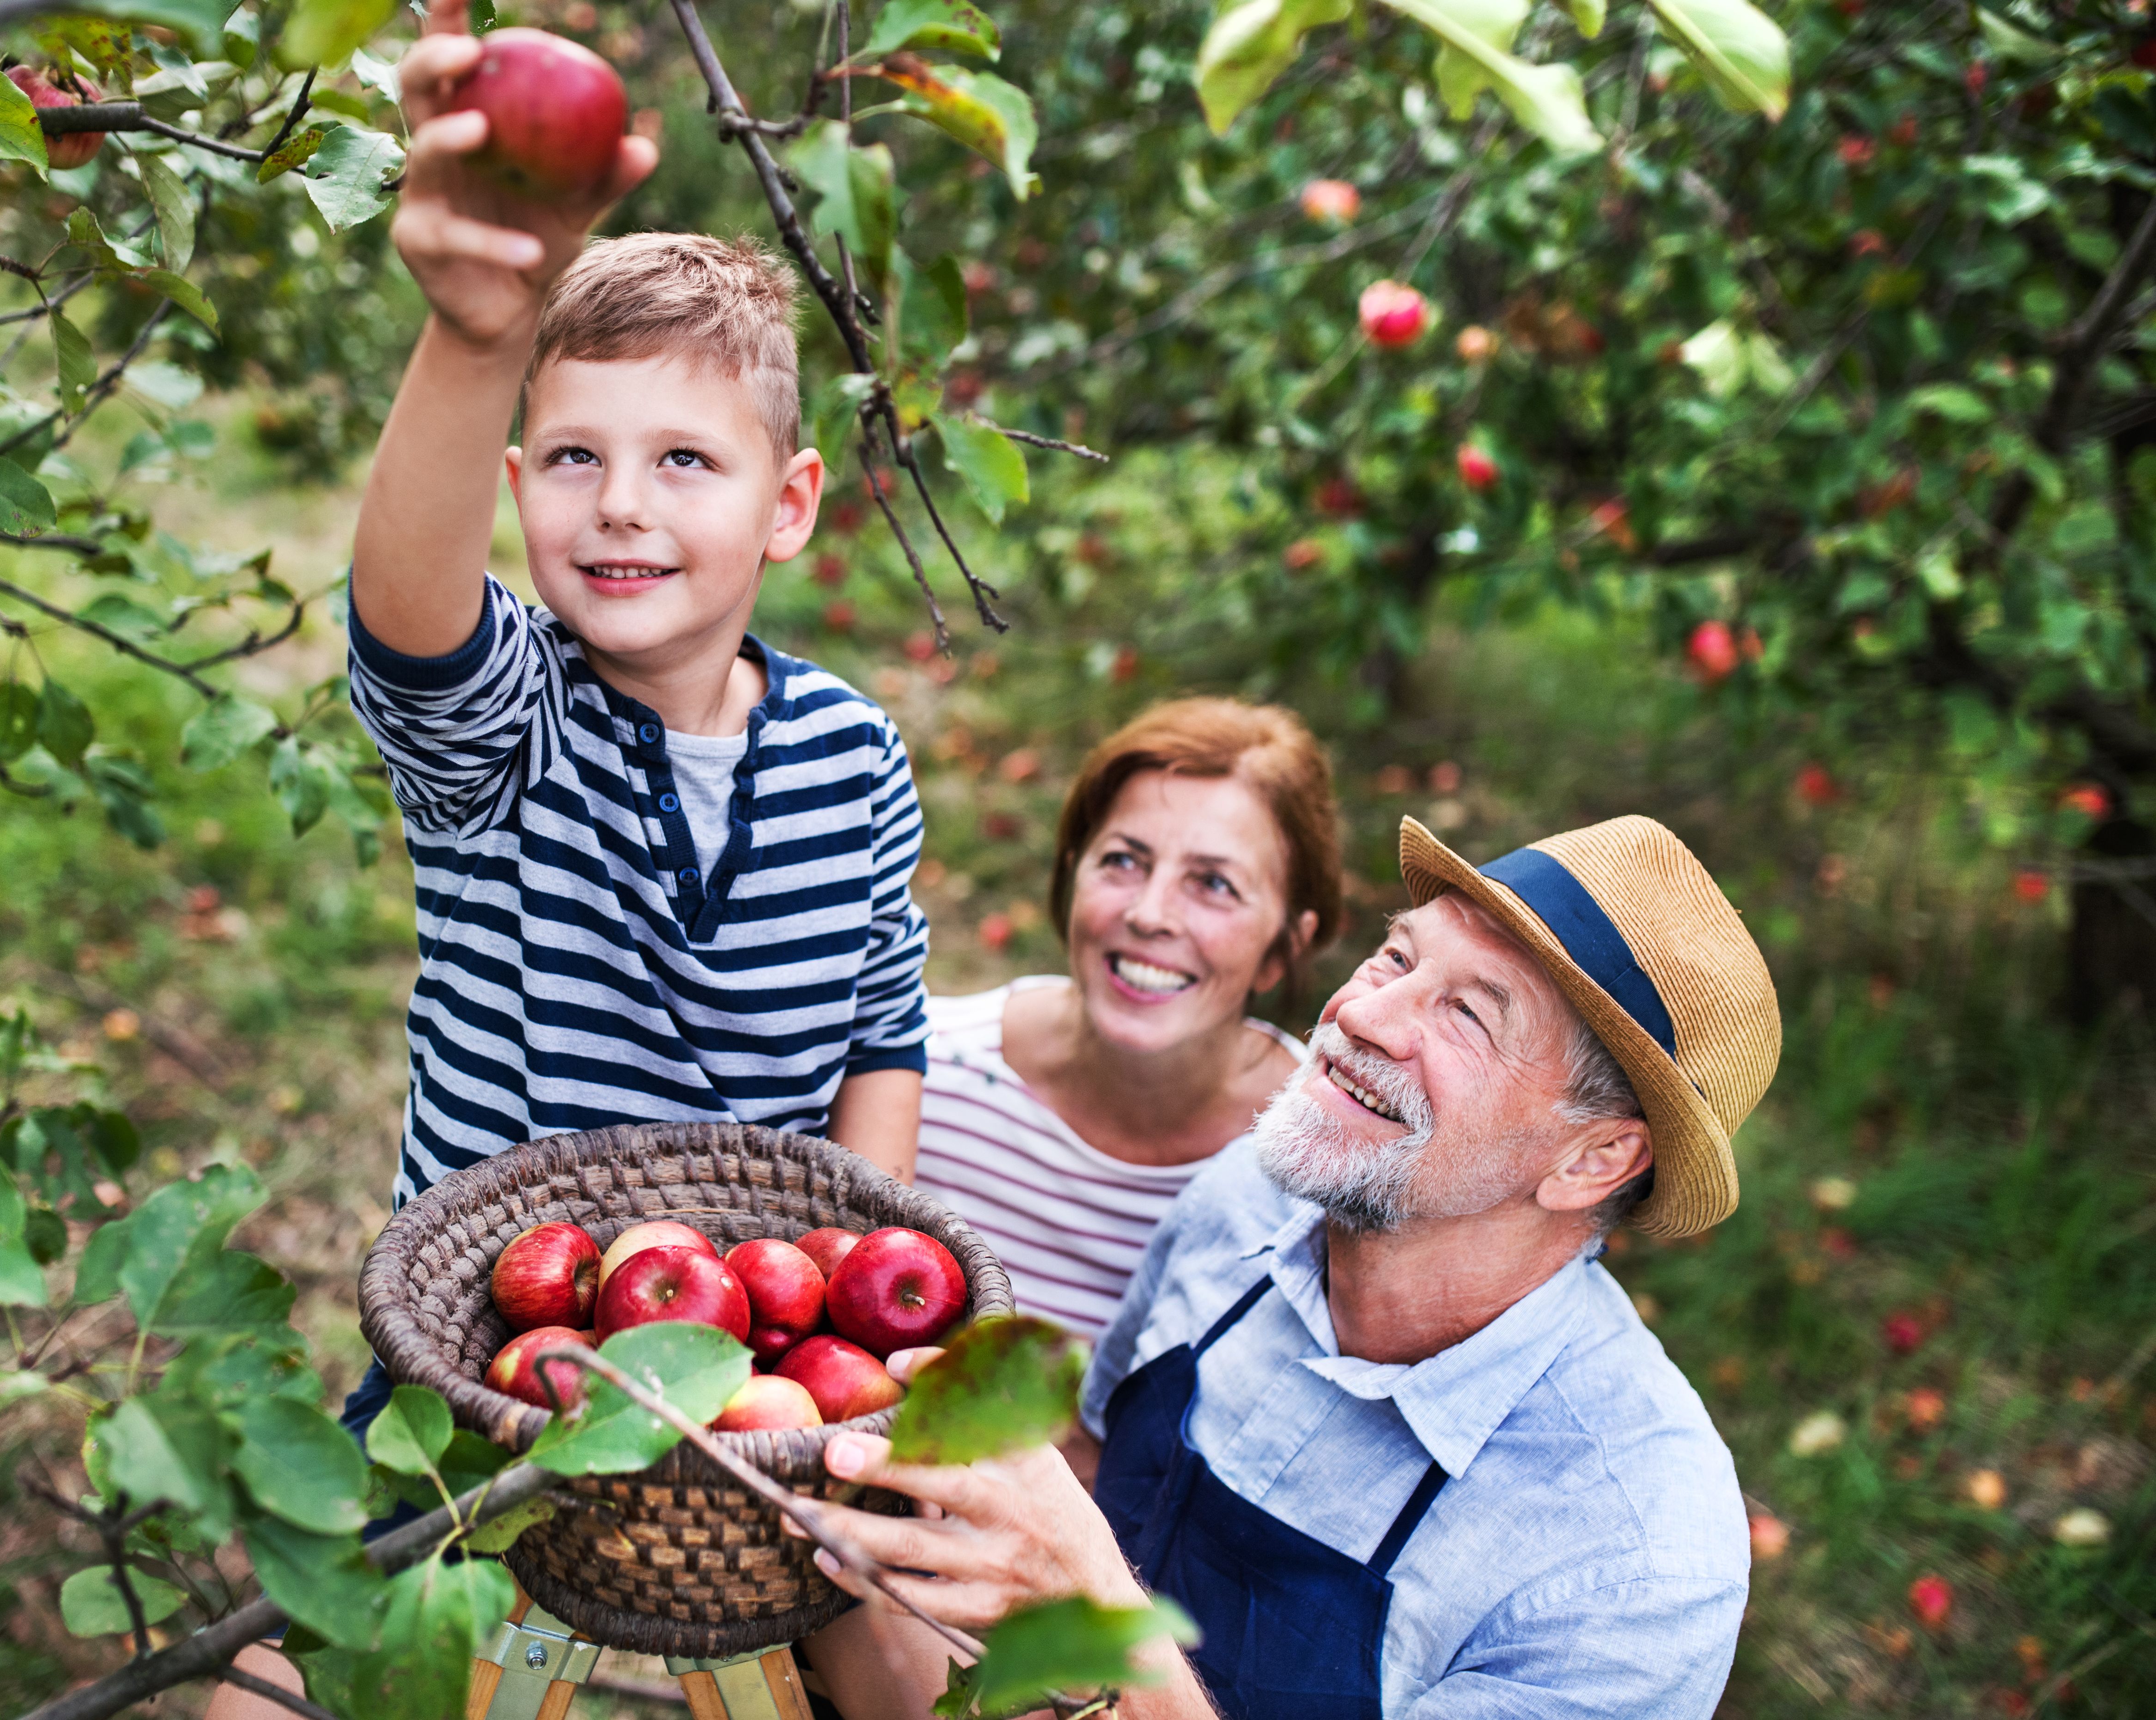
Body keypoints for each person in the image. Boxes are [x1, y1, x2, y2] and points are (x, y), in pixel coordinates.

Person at [215, 4, 931, 1710]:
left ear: (790, 504)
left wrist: (864, 1320)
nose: (621, 505)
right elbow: (409, 621)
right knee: (268, 1673)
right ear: (521, 484)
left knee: (900, 1646)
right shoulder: (511, 726)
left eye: (683, 461)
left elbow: (878, 1037)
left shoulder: (848, 756)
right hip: (476, 1355)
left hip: (748, 1356)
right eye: (578, 462)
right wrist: (476, 341)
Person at [800, 813, 1779, 1720]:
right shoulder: (1247, 1196)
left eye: (1470, 1015)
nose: (1365, 1014)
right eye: (1395, 954)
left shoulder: (1635, 1560)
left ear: (1591, 1159)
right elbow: (1094, 1461)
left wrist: (1092, 1599)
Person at [914, 699, 1340, 1350]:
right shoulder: (924, 1073)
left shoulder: (1325, 1167)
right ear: (1072, 872)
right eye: (1123, 861)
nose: (1150, 913)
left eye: (1214, 884)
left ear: (1285, 946)